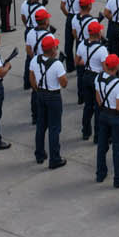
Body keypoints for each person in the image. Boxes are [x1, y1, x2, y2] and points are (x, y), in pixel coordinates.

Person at [95, 52, 119, 187]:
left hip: (103, 114)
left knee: (102, 145)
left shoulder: (98, 78)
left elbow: (99, 100)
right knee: (118, 149)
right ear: (116, 67)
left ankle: (100, 173)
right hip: (115, 117)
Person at [31, 33, 69, 168]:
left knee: (41, 125)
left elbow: (32, 78)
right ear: (52, 50)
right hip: (53, 96)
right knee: (54, 128)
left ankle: (39, 154)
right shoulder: (57, 64)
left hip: (40, 94)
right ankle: (55, 158)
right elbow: (64, 83)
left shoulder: (35, 60)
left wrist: (38, 90)